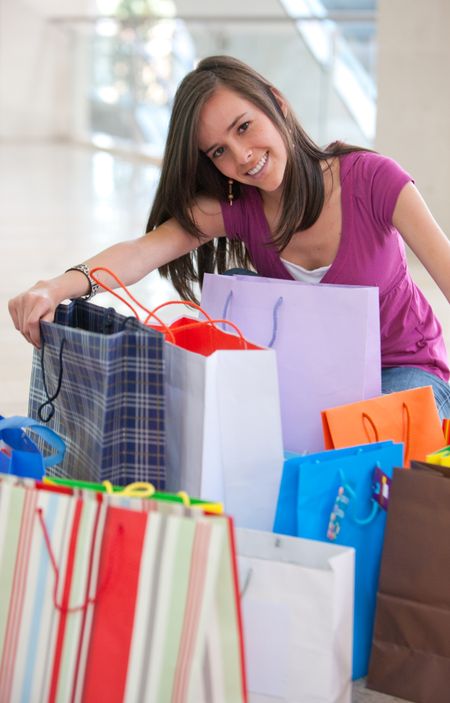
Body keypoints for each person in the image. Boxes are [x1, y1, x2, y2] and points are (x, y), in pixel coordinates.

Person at [8, 55, 450, 417]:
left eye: (244, 127)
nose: (243, 157)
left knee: (375, 454)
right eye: (219, 150)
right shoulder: (240, 208)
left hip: (404, 369)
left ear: (276, 103)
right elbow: (142, 252)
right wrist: (54, 287)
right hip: (312, 376)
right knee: (237, 290)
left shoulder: (373, 180)